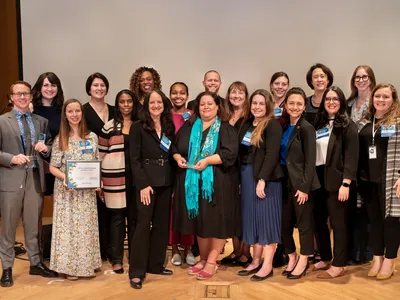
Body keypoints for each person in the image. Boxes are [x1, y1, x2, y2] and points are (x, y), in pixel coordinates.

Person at [172, 92, 239, 280]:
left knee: (216, 222)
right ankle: (202, 258)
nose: (206, 107)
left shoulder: (225, 129)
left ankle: (211, 261)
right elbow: (175, 148)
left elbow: (230, 154)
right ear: (197, 107)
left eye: (210, 103)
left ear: (218, 107)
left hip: (217, 183)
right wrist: (178, 158)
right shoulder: (189, 127)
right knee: (200, 221)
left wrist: (208, 160)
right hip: (193, 183)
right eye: (202, 104)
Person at [0, 81, 58, 287]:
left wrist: (45, 148)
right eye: (18, 94)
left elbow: (50, 147)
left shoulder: (41, 121)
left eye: (26, 93)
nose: (23, 97)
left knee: (34, 225)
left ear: (31, 97)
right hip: (11, 180)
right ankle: (7, 267)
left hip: (35, 178)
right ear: (11, 97)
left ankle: (36, 263)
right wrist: (10, 158)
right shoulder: (1, 121)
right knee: (8, 227)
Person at [49, 99, 101, 280]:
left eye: (77, 111)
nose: (74, 115)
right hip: (67, 192)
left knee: (86, 227)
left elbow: (96, 163)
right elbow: (53, 167)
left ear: (82, 113)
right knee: (69, 228)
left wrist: (97, 181)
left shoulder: (92, 137)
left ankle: (87, 264)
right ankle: (70, 267)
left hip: (86, 193)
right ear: (65, 115)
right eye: (70, 111)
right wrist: (66, 179)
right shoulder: (60, 139)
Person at [128, 89, 175, 289]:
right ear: (146, 106)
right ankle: (137, 272)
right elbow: (134, 159)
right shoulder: (138, 127)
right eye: (152, 103)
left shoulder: (168, 125)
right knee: (142, 226)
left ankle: (155, 264)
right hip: (146, 184)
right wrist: (143, 184)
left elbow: (171, 151)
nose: (156, 106)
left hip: (165, 182)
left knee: (161, 225)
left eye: (159, 102)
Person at [236, 89, 283, 281]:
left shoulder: (272, 125)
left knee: (267, 222)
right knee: (254, 221)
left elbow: (271, 155)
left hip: (266, 180)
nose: (257, 107)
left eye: (261, 104)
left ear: (268, 106)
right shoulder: (247, 124)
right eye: (254, 103)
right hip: (247, 177)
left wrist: (262, 180)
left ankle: (267, 265)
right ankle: (255, 261)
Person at [312, 86, 359, 279]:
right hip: (319, 178)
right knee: (319, 221)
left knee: (339, 224)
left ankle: (339, 264)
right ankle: (325, 256)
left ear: (341, 102)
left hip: (338, 180)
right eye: (328, 99)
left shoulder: (347, 125)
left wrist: (346, 183)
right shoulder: (320, 123)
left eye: (335, 99)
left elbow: (351, 155)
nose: (331, 102)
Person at [358, 83, 400, 280]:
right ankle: (377, 257)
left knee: (391, 221)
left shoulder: (397, 122)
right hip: (368, 179)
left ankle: (390, 260)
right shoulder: (365, 121)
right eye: (378, 96)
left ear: (393, 100)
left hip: (390, 179)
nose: (381, 100)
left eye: (386, 97)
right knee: (374, 220)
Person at [280, 87, 320, 280]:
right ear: (285, 106)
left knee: (304, 225)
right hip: (285, 183)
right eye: (291, 103)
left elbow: (310, 161)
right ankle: (291, 256)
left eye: (299, 103)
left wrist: (304, 188)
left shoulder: (306, 128)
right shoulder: (284, 126)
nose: (295, 107)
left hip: (302, 185)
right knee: (284, 224)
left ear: (304, 106)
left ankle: (304, 259)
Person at [98, 90, 139, 274]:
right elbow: (100, 154)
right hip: (113, 179)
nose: (126, 105)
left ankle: (134, 257)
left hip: (136, 180)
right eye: (122, 101)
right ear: (117, 104)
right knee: (116, 219)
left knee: (135, 219)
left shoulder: (140, 125)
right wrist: (99, 180)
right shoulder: (109, 126)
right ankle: (116, 260)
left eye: (129, 101)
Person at [83, 72, 115, 262]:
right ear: (89, 88)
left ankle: (111, 250)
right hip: (90, 165)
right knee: (96, 210)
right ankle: (98, 250)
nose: (99, 88)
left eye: (102, 85)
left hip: (113, 165)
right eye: (95, 85)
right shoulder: (83, 110)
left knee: (112, 209)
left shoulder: (114, 110)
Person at [347, 65, 376, 265]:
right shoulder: (349, 103)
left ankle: (368, 252)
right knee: (353, 207)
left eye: (365, 76)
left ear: (371, 79)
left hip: (371, 160)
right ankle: (353, 251)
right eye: (358, 77)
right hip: (352, 159)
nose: (361, 80)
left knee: (369, 207)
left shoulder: (378, 102)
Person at [220, 81, 252, 267]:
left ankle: (246, 252)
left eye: (241, 92)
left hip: (245, 168)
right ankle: (236, 249)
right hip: (227, 169)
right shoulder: (225, 116)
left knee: (245, 210)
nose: (236, 96)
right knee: (233, 211)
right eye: (233, 92)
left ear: (246, 96)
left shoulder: (249, 117)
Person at [168, 82, 196, 266]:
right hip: (170, 166)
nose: (178, 96)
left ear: (187, 95)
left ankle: (188, 248)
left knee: (190, 207)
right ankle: (175, 249)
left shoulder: (194, 115)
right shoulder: (165, 115)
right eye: (174, 93)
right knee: (172, 209)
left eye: (182, 93)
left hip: (191, 167)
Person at [31, 72, 64, 196]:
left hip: (58, 165)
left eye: (53, 85)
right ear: (40, 87)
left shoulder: (63, 111)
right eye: (46, 85)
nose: (49, 89)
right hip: (36, 165)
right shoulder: (30, 110)